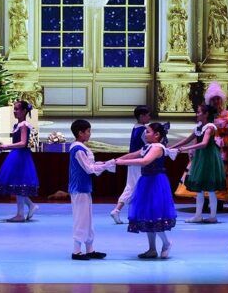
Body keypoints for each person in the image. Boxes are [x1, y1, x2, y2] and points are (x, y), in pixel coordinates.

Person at [115, 123, 177, 259]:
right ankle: (152, 249)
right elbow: (133, 154)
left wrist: (122, 163)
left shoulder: (158, 147)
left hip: (156, 183)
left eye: (148, 132)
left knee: (155, 214)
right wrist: (115, 160)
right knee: (147, 215)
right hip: (146, 181)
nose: (145, 134)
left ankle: (166, 243)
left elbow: (145, 161)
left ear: (157, 135)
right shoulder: (147, 146)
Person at [68, 119, 116, 260]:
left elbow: (91, 165)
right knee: (81, 220)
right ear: (80, 133)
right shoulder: (78, 149)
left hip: (84, 187)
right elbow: (89, 168)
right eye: (88, 131)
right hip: (79, 188)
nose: (90, 134)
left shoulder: (81, 147)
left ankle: (90, 248)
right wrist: (107, 165)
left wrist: (105, 164)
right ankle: (76, 251)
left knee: (87, 220)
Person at [172, 103, 225, 223]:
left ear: (206, 114)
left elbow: (204, 143)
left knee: (210, 188)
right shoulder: (199, 127)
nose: (197, 114)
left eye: (199, 112)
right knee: (199, 188)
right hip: (201, 157)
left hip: (209, 157)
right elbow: (187, 140)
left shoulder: (210, 127)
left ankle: (213, 216)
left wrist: (186, 148)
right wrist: (172, 147)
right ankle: (198, 215)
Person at [0, 100, 40, 222]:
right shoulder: (17, 125)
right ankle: (29, 206)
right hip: (17, 155)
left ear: (24, 111)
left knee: (19, 183)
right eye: (14, 109)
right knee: (17, 183)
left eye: (17, 109)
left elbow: (23, 143)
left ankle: (21, 213)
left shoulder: (24, 125)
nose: (14, 112)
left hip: (20, 156)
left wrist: (6, 146)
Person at [110, 105, 149, 225]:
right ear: (141, 116)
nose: (149, 117)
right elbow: (149, 144)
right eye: (148, 115)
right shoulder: (144, 130)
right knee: (139, 187)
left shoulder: (136, 127)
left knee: (131, 187)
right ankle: (137, 213)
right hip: (139, 162)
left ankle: (118, 210)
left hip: (133, 162)